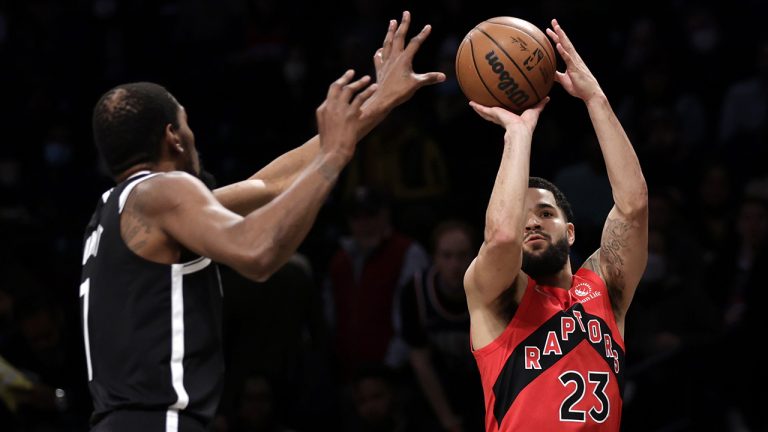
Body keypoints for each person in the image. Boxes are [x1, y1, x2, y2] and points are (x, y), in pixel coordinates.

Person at [78, 11, 445, 432]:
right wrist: (333, 161)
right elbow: (258, 252)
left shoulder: (119, 212)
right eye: (187, 124)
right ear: (172, 137)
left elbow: (268, 184)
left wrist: (379, 102)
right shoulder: (163, 190)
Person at [462, 19, 648, 432]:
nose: (532, 222)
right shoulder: (495, 296)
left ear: (571, 232)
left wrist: (595, 98)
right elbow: (503, 235)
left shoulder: (606, 290)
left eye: (545, 213)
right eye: (524, 213)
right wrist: (518, 132)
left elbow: (633, 207)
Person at [399, 220, 483, 432]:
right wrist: (447, 419)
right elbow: (420, 361)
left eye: (462, 255)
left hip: (479, 390)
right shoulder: (415, 292)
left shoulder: (490, 292)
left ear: (475, 257)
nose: (455, 265)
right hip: (435, 389)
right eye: (446, 256)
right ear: (434, 258)